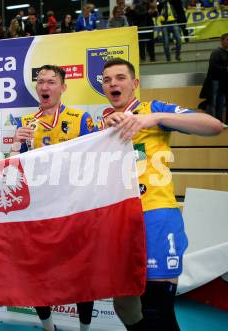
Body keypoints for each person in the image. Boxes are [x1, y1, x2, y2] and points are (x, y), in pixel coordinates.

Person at [101, 58, 223, 331]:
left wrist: (155, 119)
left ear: (134, 84)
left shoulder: (151, 110)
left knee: (155, 307)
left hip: (154, 215)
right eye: (107, 80)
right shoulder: (100, 123)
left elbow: (213, 125)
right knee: (124, 305)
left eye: (120, 77)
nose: (113, 83)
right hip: (117, 221)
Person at [11, 65, 97, 331]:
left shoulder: (81, 118)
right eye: (40, 82)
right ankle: (48, 327)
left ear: (63, 87)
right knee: (39, 273)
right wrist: (15, 145)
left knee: (82, 275)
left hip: (75, 210)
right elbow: (15, 170)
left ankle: (84, 328)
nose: (44, 87)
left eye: (51, 82)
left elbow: (97, 161)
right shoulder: (26, 124)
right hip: (41, 212)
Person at [200, 33, 228, 124]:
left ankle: (219, 122)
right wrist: (225, 69)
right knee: (213, 102)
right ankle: (210, 122)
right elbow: (212, 66)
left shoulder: (225, 52)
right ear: (222, 41)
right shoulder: (216, 52)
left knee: (221, 102)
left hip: (223, 82)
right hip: (214, 81)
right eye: (227, 40)